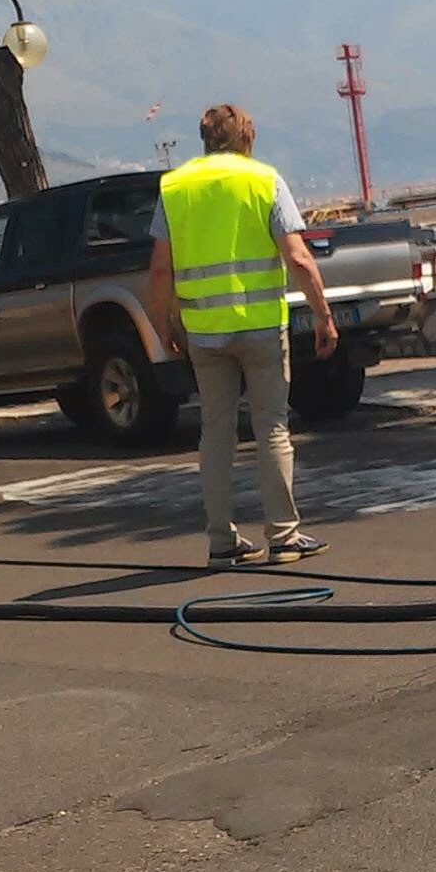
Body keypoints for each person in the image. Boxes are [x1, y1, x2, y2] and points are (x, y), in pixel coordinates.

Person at [148, 103, 338, 568]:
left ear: (205, 139)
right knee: (272, 427)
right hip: (260, 328)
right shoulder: (263, 180)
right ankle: (283, 536)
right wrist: (323, 316)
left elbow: (159, 270)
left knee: (215, 433)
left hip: (204, 331)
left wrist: (164, 324)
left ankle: (221, 541)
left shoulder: (175, 187)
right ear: (246, 138)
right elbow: (298, 258)